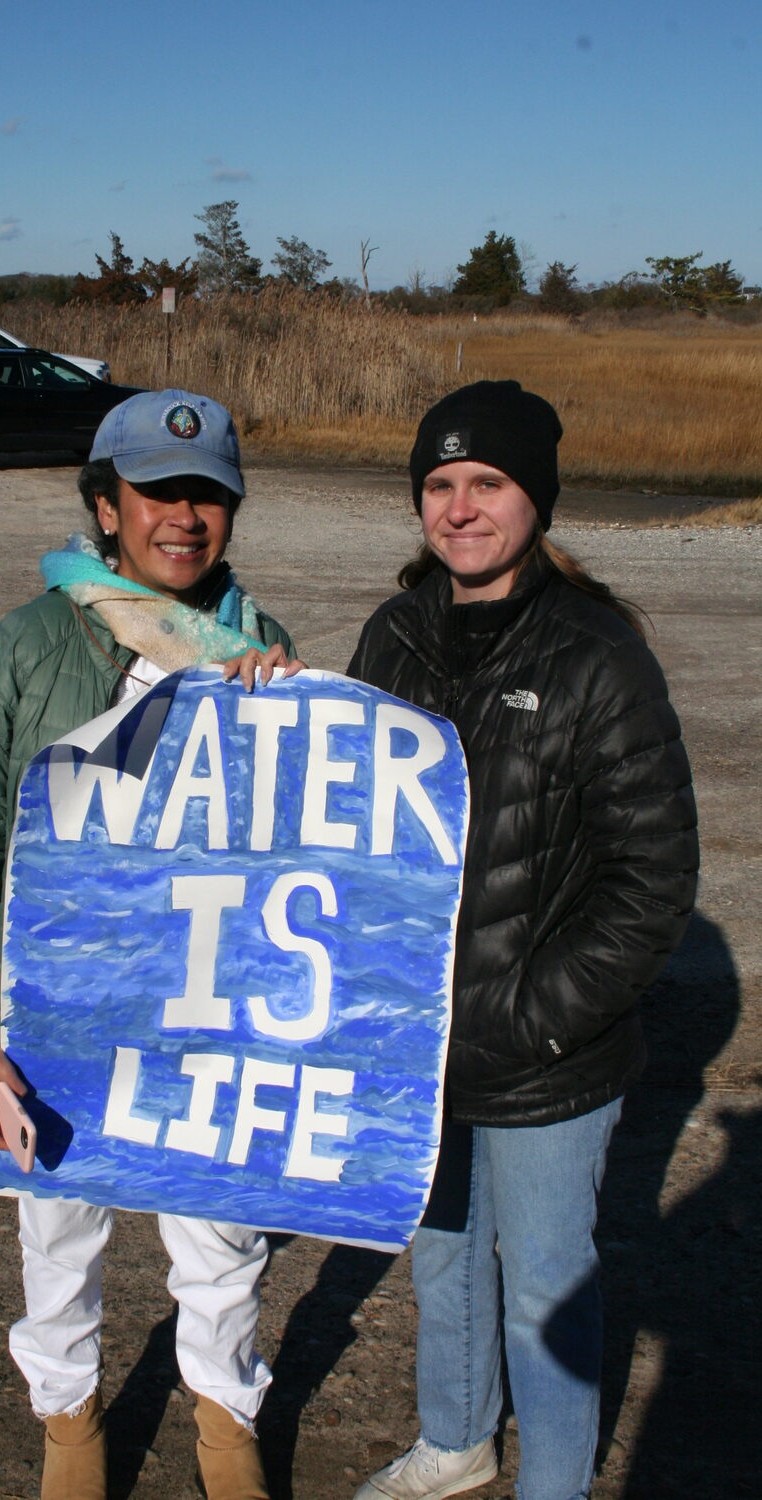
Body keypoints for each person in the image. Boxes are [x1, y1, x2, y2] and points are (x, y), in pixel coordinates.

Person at [0, 389, 297, 1500]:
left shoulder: (262, 649)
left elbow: (304, 863)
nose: (181, 517)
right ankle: (70, 1430)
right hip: (59, 1017)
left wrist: (286, 713)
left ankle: (227, 1433)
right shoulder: (30, 645)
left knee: (224, 1243)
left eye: (207, 495)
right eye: (155, 493)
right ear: (104, 506)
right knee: (59, 1238)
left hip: (205, 1015)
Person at [339, 381, 699, 1500]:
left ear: (533, 499)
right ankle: (455, 1442)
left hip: (548, 1051)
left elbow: (652, 880)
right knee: (441, 1252)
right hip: (418, 1039)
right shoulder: (391, 635)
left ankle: (553, 1480)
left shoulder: (598, 655)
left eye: (486, 484)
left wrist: (528, 1018)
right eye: (439, 486)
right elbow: (337, 819)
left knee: (546, 1279)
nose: (459, 508)